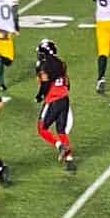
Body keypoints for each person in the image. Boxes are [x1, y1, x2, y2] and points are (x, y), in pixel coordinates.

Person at [35, 39, 76, 172]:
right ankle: (69, 160)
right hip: (64, 98)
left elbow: (45, 84)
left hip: (53, 100)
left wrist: (40, 95)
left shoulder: (43, 65)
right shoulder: (61, 63)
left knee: (42, 128)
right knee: (61, 130)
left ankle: (60, 146)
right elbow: (67, 81)